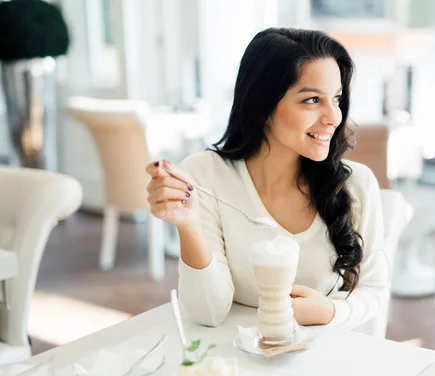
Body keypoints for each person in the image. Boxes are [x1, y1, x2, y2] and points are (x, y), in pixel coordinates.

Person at [145, 28, 388, 330]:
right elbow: (208, 312)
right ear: (263, 105)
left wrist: (331, 312)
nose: (333, 117)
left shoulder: (356, 185)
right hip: (235, 357)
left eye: (336, 99)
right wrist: (188, 224)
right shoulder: (205, 175)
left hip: (322, 352)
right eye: (312, 100)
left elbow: (375, 290)